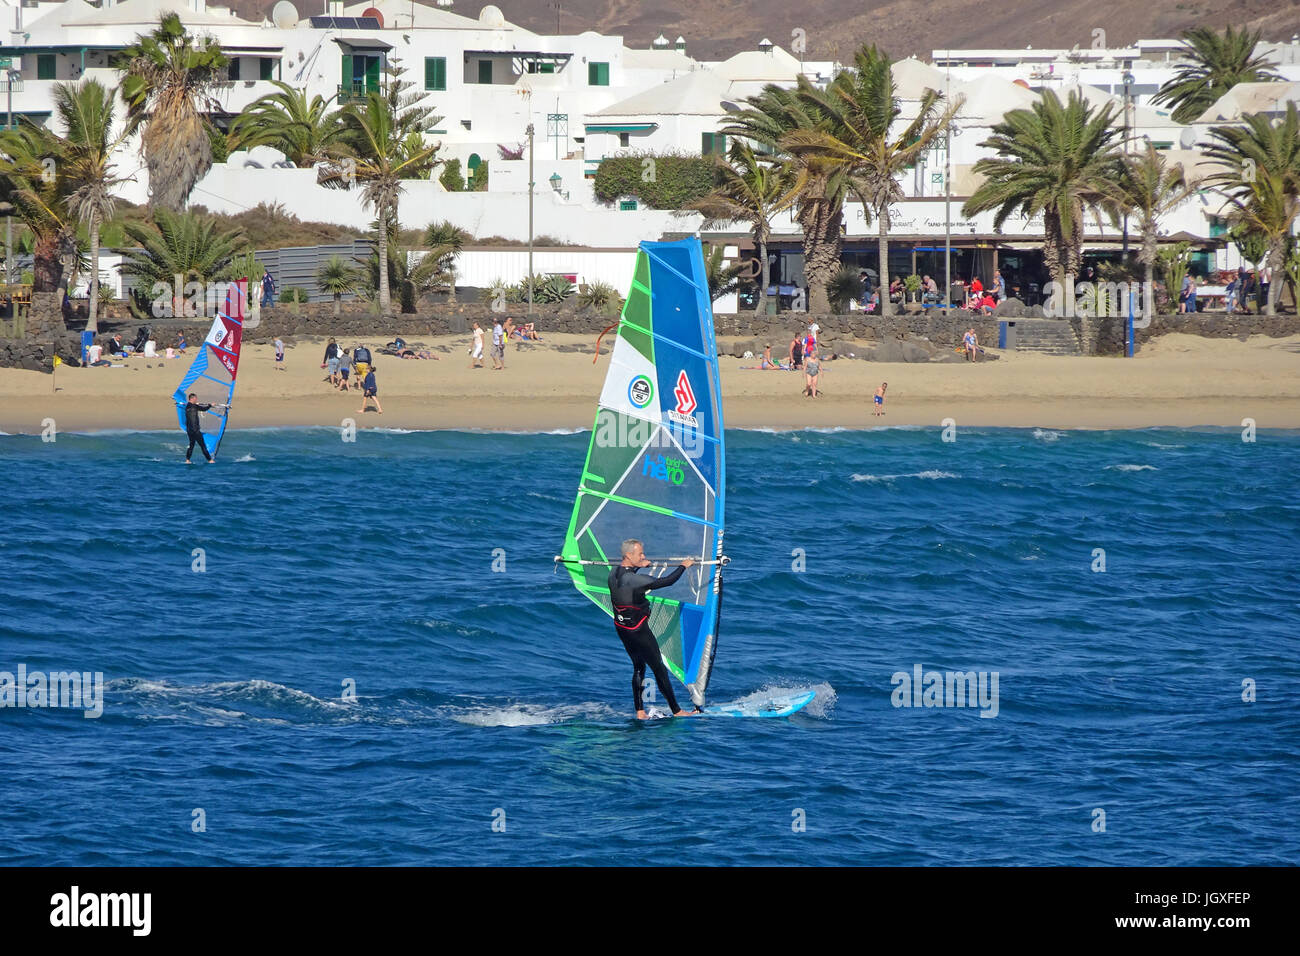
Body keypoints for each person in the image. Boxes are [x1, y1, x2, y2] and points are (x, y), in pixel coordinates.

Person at [608, 539, 698, 719]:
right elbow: (667, 581)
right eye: (640, 554)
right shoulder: (634, 579)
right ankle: (677, 711)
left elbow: (629, 577)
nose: (644, 556)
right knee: (659, 669)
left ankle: (640, 712)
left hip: (622, 628)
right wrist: (683, 566)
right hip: (639, 631)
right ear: (628, 555)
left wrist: (640, 565)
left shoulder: (613, 572)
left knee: (639, 667)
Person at [181, 392, 226, 464]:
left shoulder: (187, 406)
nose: (196, 400)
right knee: (203, 446)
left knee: (191, 445)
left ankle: (187, 460)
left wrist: (196, 404)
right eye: (195, 398)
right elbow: (204, 409)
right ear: (192, 398)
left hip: (189, 431)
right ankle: (210, 460)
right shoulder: (194, 406)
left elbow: (195, 406)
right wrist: (210, 405)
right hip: (195, 430)